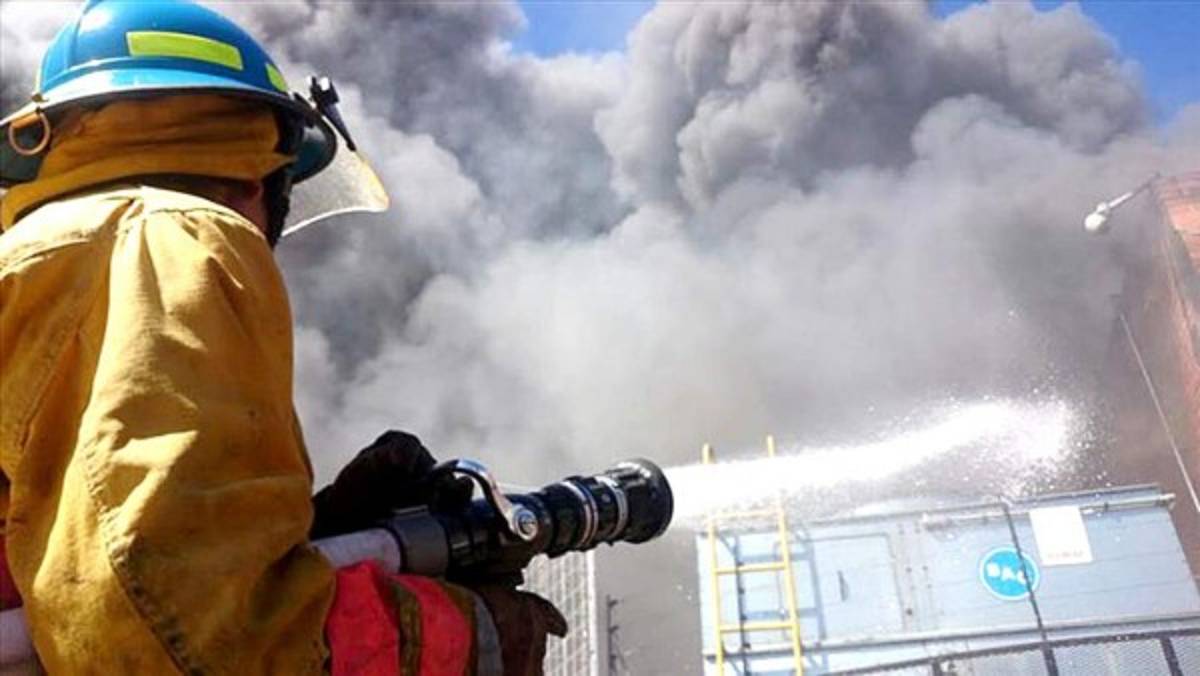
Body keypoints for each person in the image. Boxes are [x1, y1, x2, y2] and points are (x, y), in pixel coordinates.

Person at [0, 1, 563, 673]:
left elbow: (77, 548)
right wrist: (462, 637)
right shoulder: (173, 235)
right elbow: (184, 624)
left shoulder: (35, 256)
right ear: (260, 163)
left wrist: (286, 542)